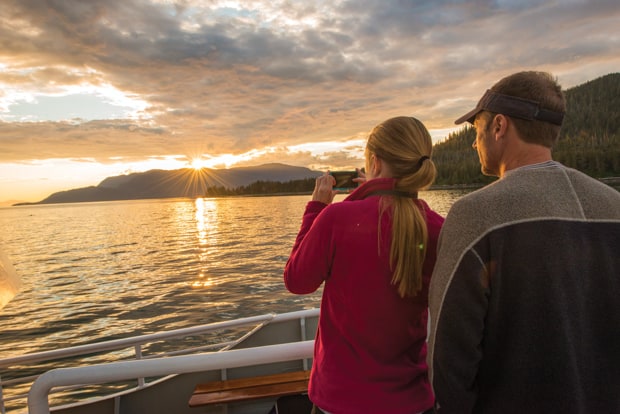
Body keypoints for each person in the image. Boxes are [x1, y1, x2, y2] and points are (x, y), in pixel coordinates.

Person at [428, 71, 620, 413]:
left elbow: (449, 358)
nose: (474, 143)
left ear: (499, 126)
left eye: (477, 130)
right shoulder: (613, 205)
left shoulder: (474, 215)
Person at [284, 116, 444, 414]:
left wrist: (316, 208)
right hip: (411, 401)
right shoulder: (438, 228)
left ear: (374, 161)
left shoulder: (336, 219)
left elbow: (297, 280)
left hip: (340, 400)